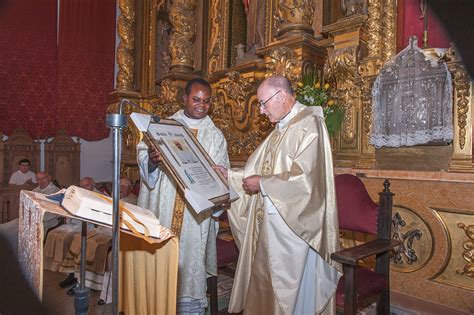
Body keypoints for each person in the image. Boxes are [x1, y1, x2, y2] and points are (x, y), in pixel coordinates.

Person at [214, 75, 341, 315]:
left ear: (281, 96)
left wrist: (264, 184)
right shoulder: (280, 128)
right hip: (273, 224)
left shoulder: (310, 124)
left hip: (296, 228)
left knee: (294, 294)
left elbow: (308, 180)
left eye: (263, 103)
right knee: (268, 286)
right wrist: (229, 175)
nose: (261, 111)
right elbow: (257, 170)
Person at [136, 77, 230, 314]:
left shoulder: (215, 135)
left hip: (194, 218)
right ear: (184, 98)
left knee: (189, 266)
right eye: (196, 99)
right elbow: (143, 156)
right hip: (163, 210)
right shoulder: (163, 127)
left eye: (207, 101)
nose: (201, 105)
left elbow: (221, 175)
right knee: (158, 269)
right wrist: (153, 161)